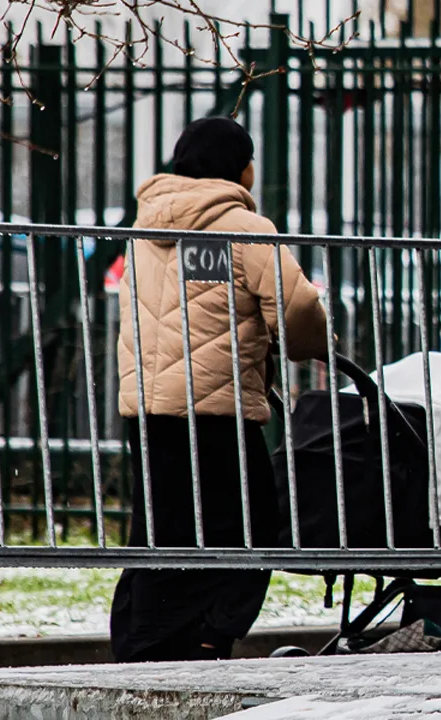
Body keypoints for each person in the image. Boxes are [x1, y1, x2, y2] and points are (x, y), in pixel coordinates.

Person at [111, 116, 328, 662]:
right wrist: (306, 345)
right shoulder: (244, 228)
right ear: (241, 167)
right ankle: (211, 632)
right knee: (249, 523)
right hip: (217, 408)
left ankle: (147, 637)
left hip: (148, 408)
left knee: (162, 525)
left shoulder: (145, 228)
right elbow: (298, 303)